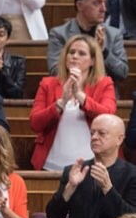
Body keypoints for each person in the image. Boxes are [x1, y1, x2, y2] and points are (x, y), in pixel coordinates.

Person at [46, 114, 136, 218]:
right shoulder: (74, 171)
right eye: (92, 133)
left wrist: (108, 189)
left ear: (119, 139)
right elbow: (53, 215)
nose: (94, 137)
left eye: (101, 133)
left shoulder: (131, 175)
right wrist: (69, 189)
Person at [30, 34, 116, 171]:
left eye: (81, 53)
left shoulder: (104, 84)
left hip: (93, 166)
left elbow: (109, 116)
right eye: (71, 52)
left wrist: (81, 96)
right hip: (52, 165)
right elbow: (35, 123)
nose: (74, 56)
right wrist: (61, 102)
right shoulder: (48, 84)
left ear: (93, 60)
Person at [47, 0, 129, 84]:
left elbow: (123, 73)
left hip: (103, 96)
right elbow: (55, 71)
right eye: (97, 3)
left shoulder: (113, 34)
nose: (104, 9)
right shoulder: (59, 34)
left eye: (104, 3)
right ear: (80, 5)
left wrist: (104, 52)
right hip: (70, 93)